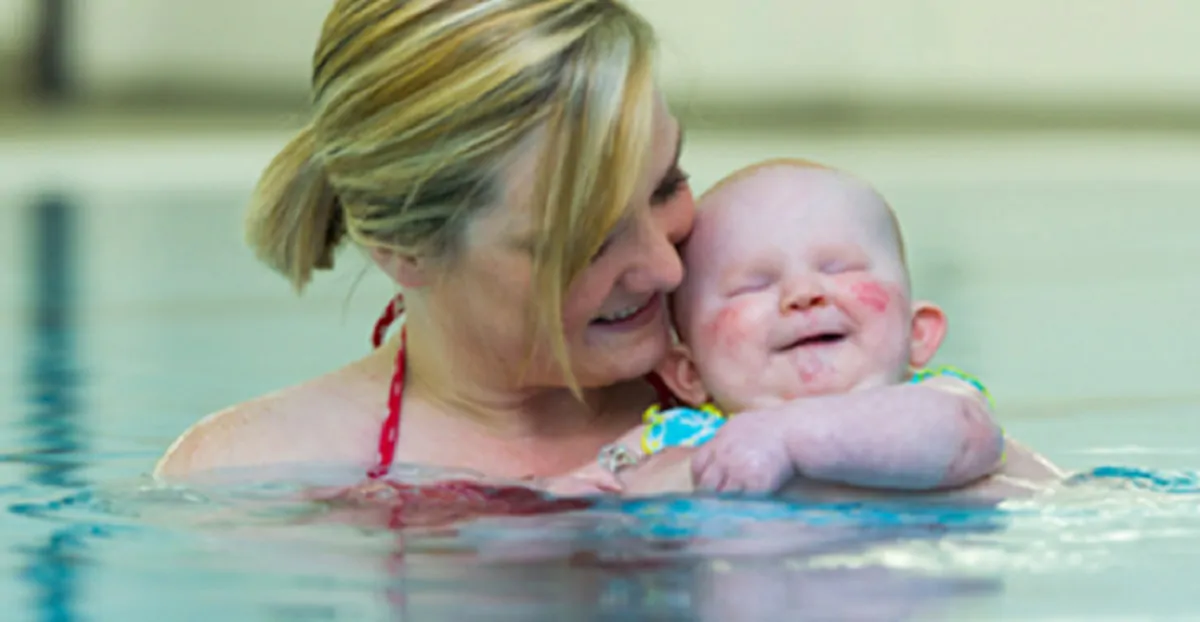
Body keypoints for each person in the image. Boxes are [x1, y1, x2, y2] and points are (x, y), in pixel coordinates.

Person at [153, 0, 1008, 502]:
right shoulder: (250, 476)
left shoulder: (772, 389)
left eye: (668, 184)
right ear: (403, 247)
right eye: (587, 241)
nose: (670, 268)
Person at [551, 159, 1063, 499]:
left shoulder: (936, 399)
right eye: (752, 286)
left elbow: (965, 438)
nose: (804, 293)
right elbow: (591, 492)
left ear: (918, 334)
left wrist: (787, 440)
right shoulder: (676, 436)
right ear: (688, 373)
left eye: (839, 268)